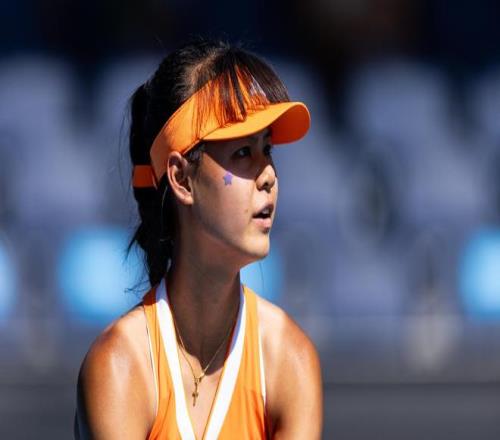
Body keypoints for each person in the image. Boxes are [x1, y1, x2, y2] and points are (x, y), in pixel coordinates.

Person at [74, 38, 323, 439]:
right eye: (243, 152)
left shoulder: (290, 359)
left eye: (267, 149)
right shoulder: (120, 364)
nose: (269, 176)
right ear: (181, 178)